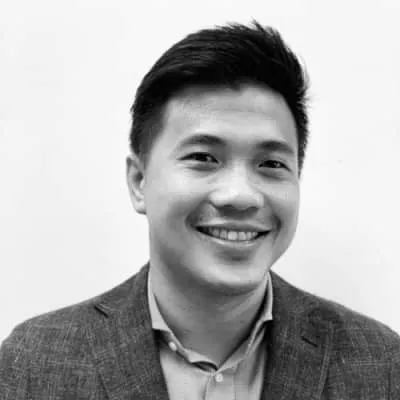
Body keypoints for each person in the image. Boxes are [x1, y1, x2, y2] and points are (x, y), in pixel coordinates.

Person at [0, 20, 399, 400]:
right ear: (139, 182)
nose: (240, 196)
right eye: (204, 157)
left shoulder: (381, 365)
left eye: (271, 164)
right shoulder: (34, 365)